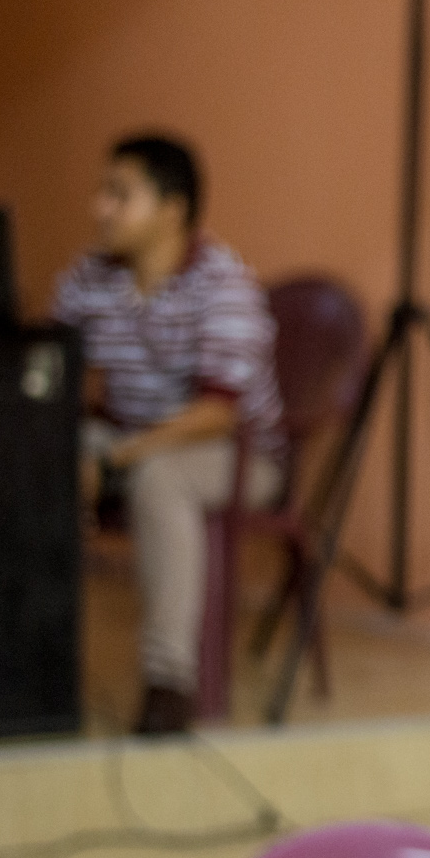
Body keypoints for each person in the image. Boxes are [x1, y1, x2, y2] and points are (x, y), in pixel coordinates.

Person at [52, 134, 284, 735]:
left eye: (118, 193)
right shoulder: (91, 278)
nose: (99, 207)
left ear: (172, 209)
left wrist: (112, 461)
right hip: (129, 434)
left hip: (235, 454)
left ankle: (168, 683)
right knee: (32, 456)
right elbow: (51, 362)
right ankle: (23, 663)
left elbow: (217, 413)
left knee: (159, 477)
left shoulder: (223, 283)